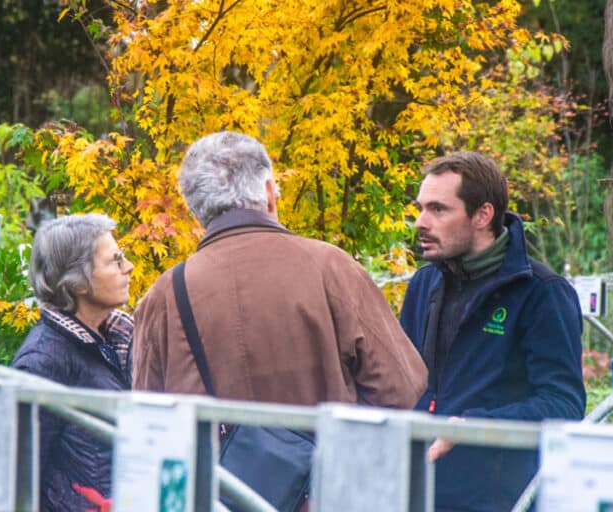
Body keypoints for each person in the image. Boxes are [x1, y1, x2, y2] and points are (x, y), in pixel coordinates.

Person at [133, 131, 426, 411]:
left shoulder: (164, 295)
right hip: (324, 460)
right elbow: (402, 389)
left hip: (211, 463)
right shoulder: (331, 268)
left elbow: (150, 419)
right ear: (270, 193)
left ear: (196, 212)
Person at [399, 151, 586, 511]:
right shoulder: (424, 283)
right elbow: (405, 383)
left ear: (483, 214)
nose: (420, 222)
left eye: (438, 209)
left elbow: (564, 405)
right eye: (420, 208)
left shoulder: (542, 292)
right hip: (419, 492)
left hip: (499, 499)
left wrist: (473, 427)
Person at [10, 213, 135, 511]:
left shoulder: (116, 340)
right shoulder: (43, 362)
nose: (128, 267)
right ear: (78, 282)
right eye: (115, 260)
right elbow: (15, 479)